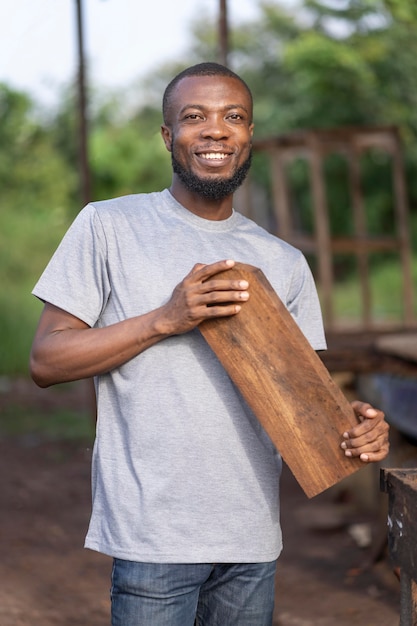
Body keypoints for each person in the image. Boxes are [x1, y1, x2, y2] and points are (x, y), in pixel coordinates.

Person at [30, 62, 389, 626]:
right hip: (154, 536)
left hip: (250, 537)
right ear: (170, 137)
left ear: (249, 138)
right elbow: (46, 361)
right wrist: (165, 319)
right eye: (194, 117)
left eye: (234, 117)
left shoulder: (284, 262)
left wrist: (357, 428)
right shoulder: (108, 226)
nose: (217, 130)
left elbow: (307, 401)